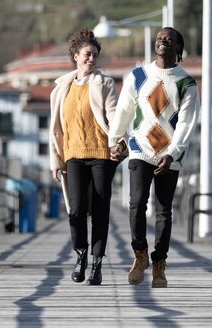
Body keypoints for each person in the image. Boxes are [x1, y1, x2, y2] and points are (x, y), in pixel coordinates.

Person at [108, 27, 200, 288]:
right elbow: (124, 110)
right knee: (136, 204)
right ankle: (140, 255)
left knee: (163, 212)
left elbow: (186, 124)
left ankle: (160, 264)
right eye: (159, 39)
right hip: (139, 149)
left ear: (178, 48)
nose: (162, 42)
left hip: (170, 156)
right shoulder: (138, 75)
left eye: (168, 40)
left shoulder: (186, 83)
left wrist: (172, 154)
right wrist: (115, 141)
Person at [49, 27, 123, 286]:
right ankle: (80, 253)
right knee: (76, 210)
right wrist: (55, 161)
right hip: (73, 156)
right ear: (76, 56)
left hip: (102, 154)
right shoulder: (61, 88)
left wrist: (118, 139)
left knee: (100, 209)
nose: (92, 59)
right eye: (88, 55)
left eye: (95, 55)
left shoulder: (105, 83)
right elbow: (56, 128)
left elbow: (113, 113)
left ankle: (97, 264)